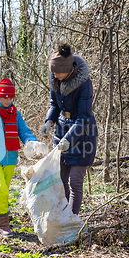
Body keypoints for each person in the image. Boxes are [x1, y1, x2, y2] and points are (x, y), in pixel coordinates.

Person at [0, 78, 47, 237]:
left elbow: (24, 130)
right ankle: (3, 224)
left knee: (2, 192)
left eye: (10, 97)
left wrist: (32, 141)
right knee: (0, 189)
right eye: (4, 97)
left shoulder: (15, 113)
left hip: (11, 158)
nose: (7, 100)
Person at [40, 43, 98, 215]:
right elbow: (54, 104)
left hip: (82, 136)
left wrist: (69, 139)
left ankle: (71, 222)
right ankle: (62, 217)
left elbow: (84, 117)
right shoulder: (55, 79)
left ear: (68, 70)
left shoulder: (84, 83)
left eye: (57, 72)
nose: (54, 75)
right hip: (61, 132)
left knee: (75, 183)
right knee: (60, 180)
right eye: (53, 72)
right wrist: (49, 121)